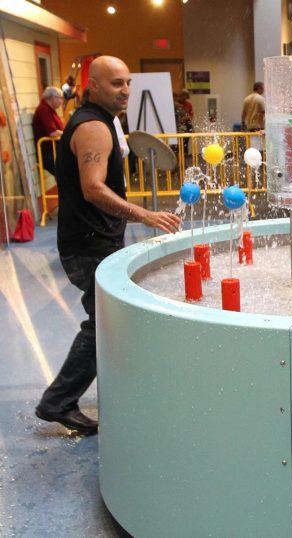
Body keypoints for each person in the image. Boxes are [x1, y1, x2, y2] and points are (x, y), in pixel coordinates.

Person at [34, 56, 182, 436]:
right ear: (94, 86)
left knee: (111, 320)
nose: (126, 90)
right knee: (103, 323)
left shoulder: (102, 121)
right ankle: (59, 401)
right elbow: (93, 188)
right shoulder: (94, 127)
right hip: (88, 244)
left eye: (128, 82)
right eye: (116, 83)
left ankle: (99, 392)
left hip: (95, 239)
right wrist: (145, 215)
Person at [32, 86, 64, 175]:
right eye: (60, 98)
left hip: (54, 151)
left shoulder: (50, 110)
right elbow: (53, 133)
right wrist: (69, 134)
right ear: (52, 98)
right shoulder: (44, 110)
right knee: (66, 173)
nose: (61, 102)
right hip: (48, 154)